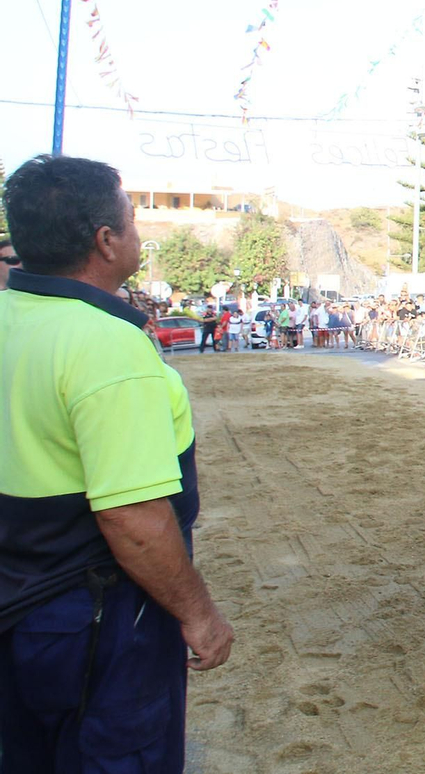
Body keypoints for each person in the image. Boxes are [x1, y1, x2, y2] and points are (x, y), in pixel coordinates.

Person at [0, 155, 233, 769]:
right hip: (98, 614)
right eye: (131, 221)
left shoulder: (10, 317)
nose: (138, 233)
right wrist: (200, 616)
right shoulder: (106, 344)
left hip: (19, 595)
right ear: (105, 241)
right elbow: (132, 517)